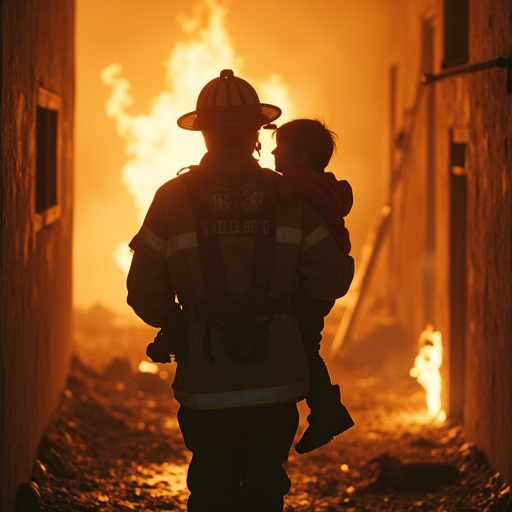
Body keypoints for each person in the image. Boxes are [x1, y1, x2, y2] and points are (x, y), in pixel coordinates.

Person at [126, 70, 354, 511]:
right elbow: (331, 280)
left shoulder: (171, 198)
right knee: (266, 484)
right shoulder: (291, 197)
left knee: (212, 483)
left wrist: (177, 323)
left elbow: (143, 292)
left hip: (205, 381)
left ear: (205, 134)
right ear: (255, 133)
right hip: (277, 378)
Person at [272, 118, 355, 454]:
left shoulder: (297, 187)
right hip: (320, 282)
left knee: (302, 345)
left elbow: (288, 196)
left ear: (302, 158)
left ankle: (327, 411)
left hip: (312, 284)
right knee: (306, 344)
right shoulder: (320, 185)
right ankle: (325, 409)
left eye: (282, 147)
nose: (274, 152)